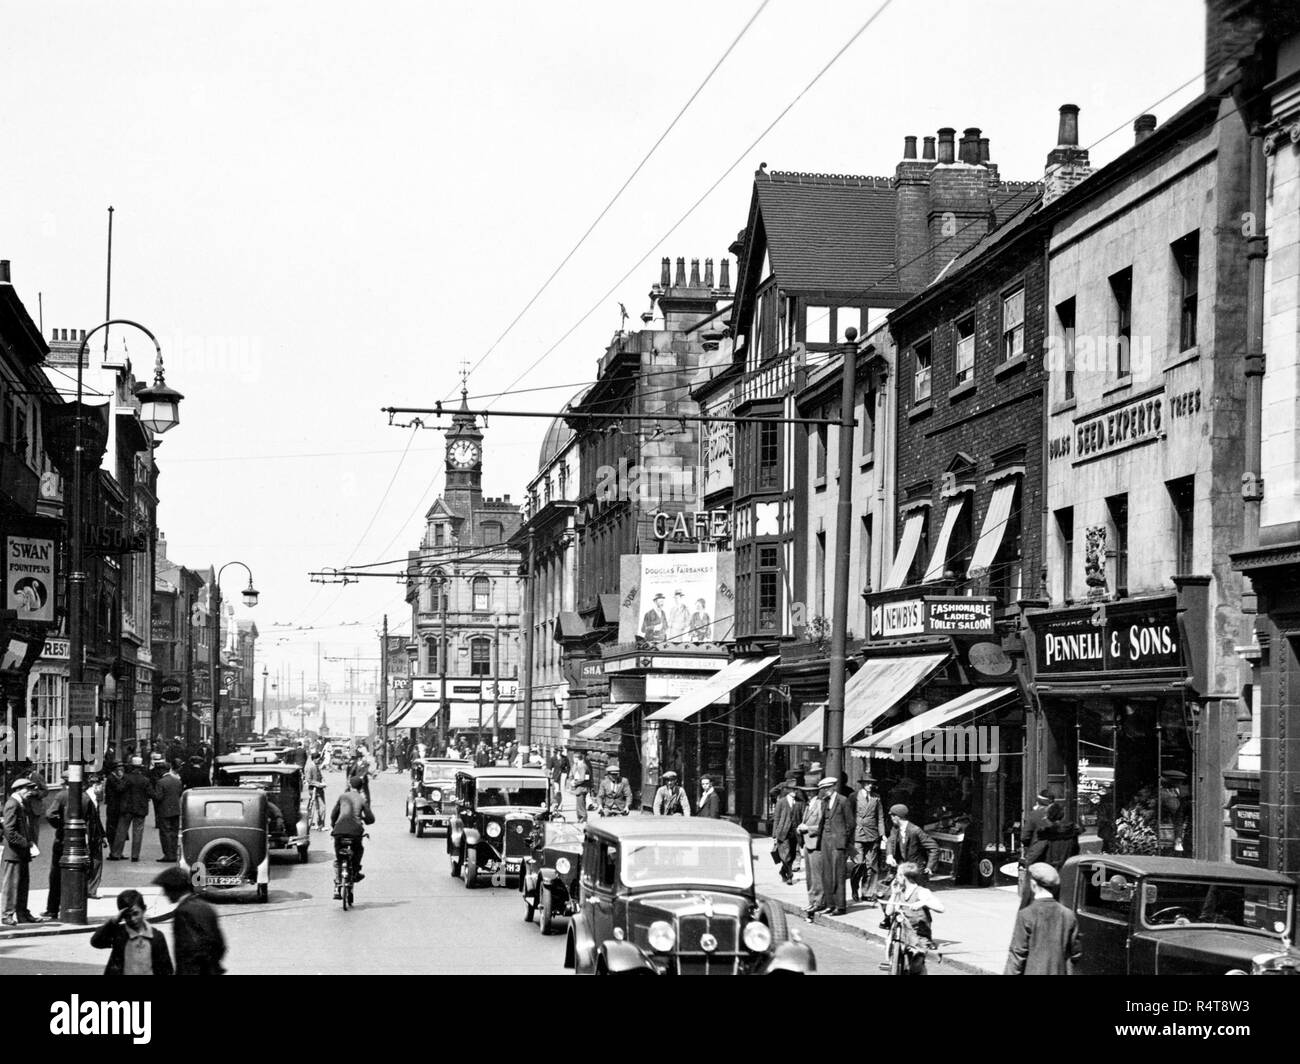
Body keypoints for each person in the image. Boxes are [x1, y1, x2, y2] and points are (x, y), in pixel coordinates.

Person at [1004, 862, 1082, 975]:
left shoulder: (1026, 914)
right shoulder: (1068, 915)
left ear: (1033, 885)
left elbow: (1017, 955)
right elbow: (1076, 952)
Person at [42, 770, 98, 919]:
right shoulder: (86, 798)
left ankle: (52, 909)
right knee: (78, 874)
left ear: (65, 782)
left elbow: (50, 814)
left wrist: (60, 826)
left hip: (62, 839)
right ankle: (71, 905)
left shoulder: (61, 795)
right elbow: (94, 822)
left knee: (56, 875)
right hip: (80, 841)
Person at [154, 867, 226, 975]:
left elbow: (189, 950)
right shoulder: (205, 906)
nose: (164, 894)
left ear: (174, 889)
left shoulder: (183, 912)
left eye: (166, 889)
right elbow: (219, 944)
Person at [90, 889, 173, 976]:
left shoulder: (156, 936)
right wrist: (113, 921)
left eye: (136, 913)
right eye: (127, 916)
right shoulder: (119, 933)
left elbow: (166, 968)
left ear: (144, 909)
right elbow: (96, 942)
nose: (132, 919)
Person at [884, 861, 945, 975]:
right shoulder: (900, 891)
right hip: (902, 934)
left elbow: (941, 908)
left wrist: (924, 903)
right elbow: (889, 912)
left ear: (903, 877)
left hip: (919, 934)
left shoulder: (921, 892)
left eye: (898, 874)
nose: (896, 877)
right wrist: (894, 894)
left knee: (915, 968)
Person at [2, 778, 44, 925]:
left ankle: (22, 913)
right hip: (14, 853)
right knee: (11, 886)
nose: (30, 792)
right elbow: (9, 831)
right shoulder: (12, 804)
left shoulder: (21, 803)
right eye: (28, 789)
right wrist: (26, 844)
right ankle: (7, 914)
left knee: (22, 884)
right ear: (19, 789)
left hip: (22, 852)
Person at [330, 775, 375, 895]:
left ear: (350, 785)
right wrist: (365, 820)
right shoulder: (362, 799)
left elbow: (334, 814)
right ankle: (355, 871)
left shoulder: (342, 796)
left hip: (339, 831)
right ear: (361, 787)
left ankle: (338, 881)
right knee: (358, 849)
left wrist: (333, 825)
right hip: (355, 832)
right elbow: (370, 818)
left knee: (339, 857)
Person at [816, 776, 854, 915]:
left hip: (838, 842)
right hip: (825, 840)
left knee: (838, 873)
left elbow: (850, 823)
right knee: (826, 873)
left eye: (826, 788)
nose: (824, 791)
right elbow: (822, 821)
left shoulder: (843, 801)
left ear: (833, 787)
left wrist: (844, 840)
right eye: (822, 789)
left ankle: (840, 906)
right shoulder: (824, 802)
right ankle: (830, 904)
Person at [851, 775, 888, 905]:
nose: (870, 785)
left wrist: (882, 834)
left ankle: (867, 892)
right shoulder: (854, 796)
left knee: (871, 865)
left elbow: (880, 817)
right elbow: (849, 816)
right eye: (867, 783)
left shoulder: (876, 797)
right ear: (862, 784)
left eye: (871, 783)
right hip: (858, 834)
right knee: (859, 864)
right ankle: (855, 888)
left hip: (872, 834)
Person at [110, 758, 154, 862]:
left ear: (132, 767)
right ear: (141, 767)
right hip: (140, 809)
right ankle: (135, 855)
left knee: (121, 831)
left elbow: (119, 789)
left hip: (127, 808)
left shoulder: (126, 778)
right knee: (138, 832)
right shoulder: (145, 780)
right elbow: (151, 793)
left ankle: (116, 853)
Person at [884, 803, 940, 879]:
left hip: (915, 870)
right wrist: (889, 855)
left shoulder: (915, 830)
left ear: (897, 817)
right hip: (902, 868)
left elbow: (934, 848)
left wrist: (929, 867)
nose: (891, 818)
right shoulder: (895, 828)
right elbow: (890, 841)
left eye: (892, 816)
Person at [1026, 802, 1081, 873]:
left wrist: (1027, 864)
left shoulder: (1045, 833)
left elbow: (1035, 853)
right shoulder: (1071, 831)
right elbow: (1075, 851)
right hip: (1067, 870)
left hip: (1049, 871)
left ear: (1049, 817)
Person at [796, 785, 825, 918]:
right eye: (806, 792)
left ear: (816, 792)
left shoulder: (819, 804)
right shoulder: (808, 805)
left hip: (815, 843)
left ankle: (818, 902)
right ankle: (811, 900)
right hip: (807, 843)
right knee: (809, 875)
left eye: (811, 791)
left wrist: (807, 827)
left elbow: (821, 826)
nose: (809, 794)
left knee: (816, 875)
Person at [771, 781, 805, 885]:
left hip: (795, 832)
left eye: (796, 789)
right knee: (786, 856)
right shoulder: (781, 802)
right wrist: (774, 834)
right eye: (792, 789)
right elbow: (776, 818)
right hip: (783, 831)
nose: (794, 791)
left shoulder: (800, 802)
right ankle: (790, 876)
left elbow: (803, 817)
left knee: (793, 855)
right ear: (788, 790)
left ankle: (782, 871)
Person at [152, 761, 184, 863]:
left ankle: (167, 854)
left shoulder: (160, 782)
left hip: (164, 810)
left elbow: (158, 797)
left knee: (165, 833)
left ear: (161, 771)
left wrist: (152, 794)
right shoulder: (177, 781)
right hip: (175, 810)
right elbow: (179, 794)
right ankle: (174, 854)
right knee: (174, 833)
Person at [304, 752, 327, 830]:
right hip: (314, 789)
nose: (319, 760)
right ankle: (320, 824)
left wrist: (323, 781)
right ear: (314, 759)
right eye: (318, 759)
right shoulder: (310, 767)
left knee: (318, 808)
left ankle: (320, 824)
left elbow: (320, 775)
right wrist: (319, 784)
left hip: (318, 789)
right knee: (321, 807)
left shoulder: (315, 766)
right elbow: (309, 780)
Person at [570, 751, 592, 820]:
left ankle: (583, 818)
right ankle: (580, 818)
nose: (573, 759)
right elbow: (571, 774)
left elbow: (582, 779)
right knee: (579, 805)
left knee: (581, 805)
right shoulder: (577, 765)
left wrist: (574, 783)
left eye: (574, 758)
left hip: (581, 788)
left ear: (576, 758)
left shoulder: (582, 766)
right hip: (580, 788)